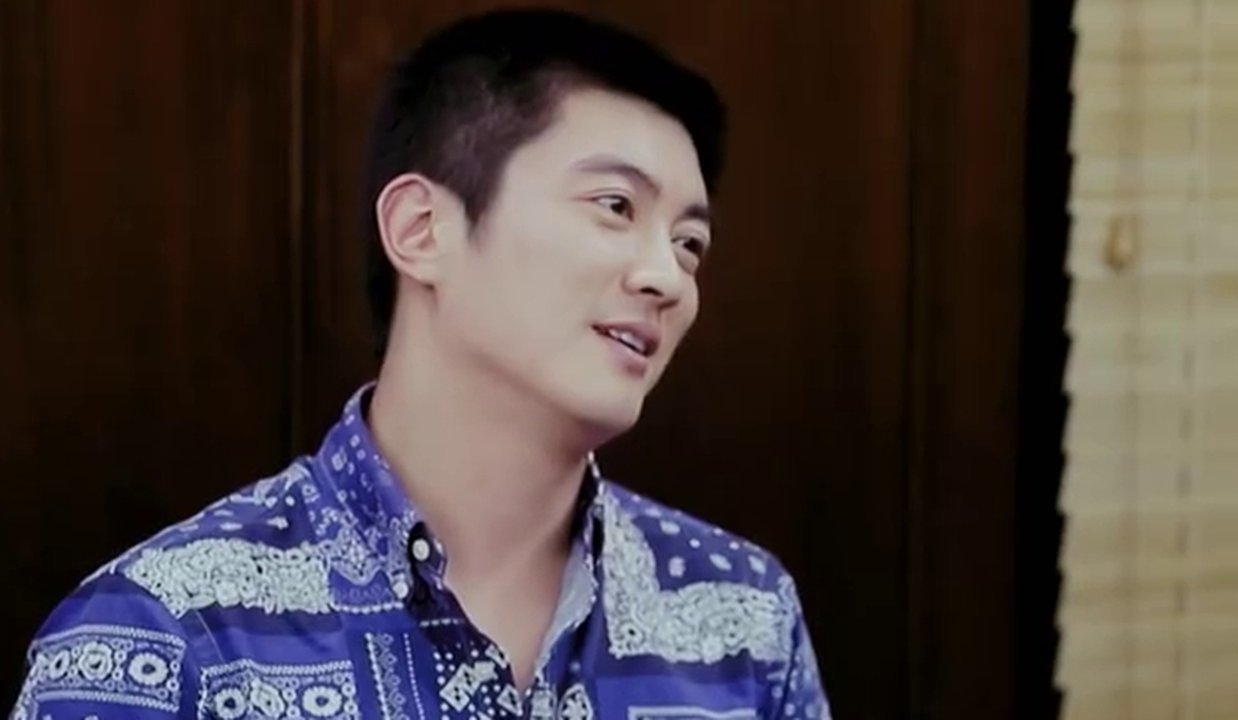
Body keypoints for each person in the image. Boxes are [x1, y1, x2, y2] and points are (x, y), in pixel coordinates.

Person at [11, 9, 829, 720]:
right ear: (420, 229)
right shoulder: (164, 635)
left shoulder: (742, 619)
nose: (667, 278)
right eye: (615, 206)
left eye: (689, 244)